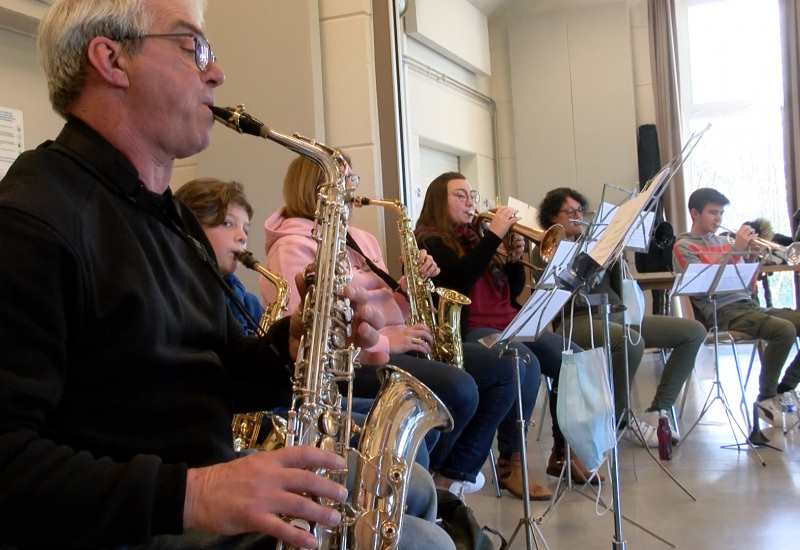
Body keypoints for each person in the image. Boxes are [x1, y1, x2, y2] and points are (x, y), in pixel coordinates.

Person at [0, 1, 455, 549]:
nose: (216, 73)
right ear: (111, 60)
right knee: (427, 543)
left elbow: (208, 373)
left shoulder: (167, 216)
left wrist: (290, 345)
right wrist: (197, 493)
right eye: (193, 47)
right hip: (129, 523)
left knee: (420, 495)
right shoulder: (31, 220)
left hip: (185, 480)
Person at [262, 154, 520, 497]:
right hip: (351, 361)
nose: (354, 191)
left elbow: (388, 306)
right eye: (346, 182)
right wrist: (388, 344)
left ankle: (444, 479)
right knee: (459, 389)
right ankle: (421, 486)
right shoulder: (293, 246)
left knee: (503, 368)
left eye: (353, 181)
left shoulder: (362, 239)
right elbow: (313, 336)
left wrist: (411, 286)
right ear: (317, 189)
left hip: (399, 341)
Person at [414, 172, 596, 499]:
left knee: (570, 355)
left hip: (509, 320)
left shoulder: (476, 236)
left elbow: (511, 292)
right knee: (522, 362)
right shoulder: (430, 240)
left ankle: (564, 449)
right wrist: (494, 236)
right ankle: (512, 461)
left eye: (472, 194)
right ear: (439, 201)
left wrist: (513, 259)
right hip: (472, 329)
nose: (471, 202)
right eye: (460, 195)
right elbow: (458, 280)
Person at [534, 187, 706, 447]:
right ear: (552, 217)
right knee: (630, 341)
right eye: (569, 212)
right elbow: (563, 293)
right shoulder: (545, 248)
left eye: (580, 210)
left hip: (616, 314)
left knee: (693, 332)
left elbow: (617, 289)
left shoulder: (595, 241)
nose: (577, 216)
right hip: (578, 320)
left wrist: (615, 253)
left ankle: (659, 409)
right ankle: (619, 420)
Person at [673, 187, 800, 427]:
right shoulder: (683, 247)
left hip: (749, 306)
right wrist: (736, 250)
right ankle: (767, 397)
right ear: (694, 213)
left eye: (720, 213)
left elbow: (746, 287)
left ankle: (786, 388)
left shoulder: (725, 241)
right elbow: (703, 286)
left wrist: (751, 258)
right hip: (722, 313)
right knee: (784, 330)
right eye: (712, 212)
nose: (718, 219)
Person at [175, 178, 264, 335]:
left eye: (246, 229)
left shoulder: (250, 305)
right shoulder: (174, 295)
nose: (243, 237)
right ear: (190, 229)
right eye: (227, 223)